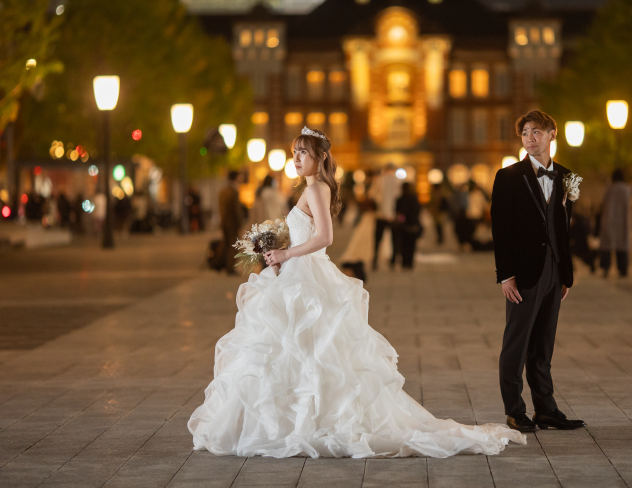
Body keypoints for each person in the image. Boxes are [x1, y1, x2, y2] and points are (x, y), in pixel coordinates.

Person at [188, 126, 524, 458]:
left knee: (309, 349)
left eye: (303, 152)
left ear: (320, 157)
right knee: (296, 350)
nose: (296, 158)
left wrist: (286, 254)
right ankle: (297, 418)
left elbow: (325, 238)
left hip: (307, 275)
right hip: (297, 273)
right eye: (294, 152)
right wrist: (279, 251)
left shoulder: (317, 188)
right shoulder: (310, 189)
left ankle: (311, 420)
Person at [491, 110, 586, 433]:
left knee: (543, 345)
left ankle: (546, 410)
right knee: (516, 344)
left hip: (554, 273)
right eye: (525, 133)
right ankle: (515, 411)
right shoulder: (507, 177)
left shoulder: (565, 177)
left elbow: (563, 228)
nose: (530, 138)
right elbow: (500, 230)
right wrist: (506, 275)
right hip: (523, 274)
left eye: (536, 132)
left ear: (551, 134)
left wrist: (566, 275)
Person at [599, 169, 632, 278]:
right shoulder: (627, 189)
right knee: (622, 246)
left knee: (607, 246)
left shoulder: (610, 189)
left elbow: (604, 204)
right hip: (623, 221)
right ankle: (623, 269)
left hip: (610, 219)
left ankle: (605, 267)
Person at [369, 163, 401, 270]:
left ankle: (375, 260)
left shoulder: (379, 179)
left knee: (378, 239)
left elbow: (372, 195)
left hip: (380, 214)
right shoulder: (398, 180)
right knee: (394, 238)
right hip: (393, 214)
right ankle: (393, 260)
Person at [218, 171, 243, 275]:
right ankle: (230, 267)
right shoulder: (233, 191)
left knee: (226, 244)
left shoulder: (223, 191)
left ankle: (220, 264)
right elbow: (236, 210)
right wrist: (240, 221)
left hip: (224, 221)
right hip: (232, 223)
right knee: (234, 245)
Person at [395, 182, 421, 269]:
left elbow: (398, 213)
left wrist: (402, 221)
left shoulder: (400, 199)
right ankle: (409, 262)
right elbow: (417, 211)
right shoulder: (413, 199)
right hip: (411, 224)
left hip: (404, 225)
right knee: (411, 245)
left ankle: (405, 262)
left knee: (404, 245)